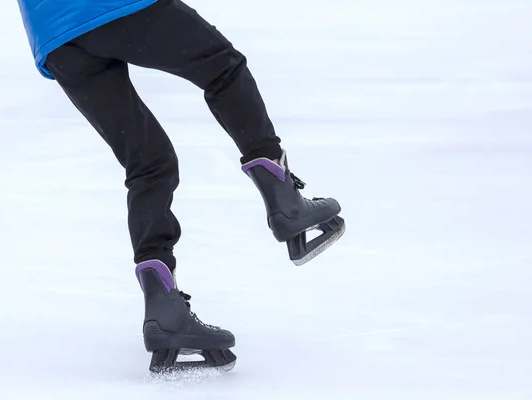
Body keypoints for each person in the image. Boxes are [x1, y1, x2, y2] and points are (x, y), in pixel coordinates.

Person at [17, 0, 345, 373]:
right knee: (223, 68)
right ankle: (285, 200)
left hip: (54, 35)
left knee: (148, 163)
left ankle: (164, 308)